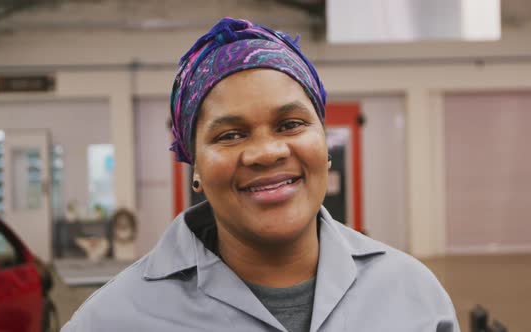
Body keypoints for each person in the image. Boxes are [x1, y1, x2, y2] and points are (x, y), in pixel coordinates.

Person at [62, 17, 459, 332]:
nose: (267, 152)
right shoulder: (111, 320)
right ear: (195, 166)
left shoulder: (414, 296)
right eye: (230, 134)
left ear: (324, 146)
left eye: (290, 124)